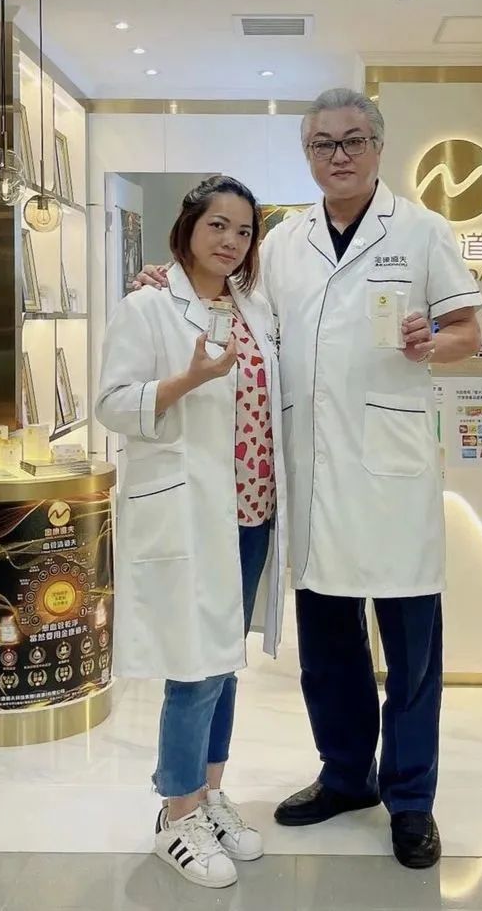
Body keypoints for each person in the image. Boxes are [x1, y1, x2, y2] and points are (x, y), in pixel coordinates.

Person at [135, 88, 482, 868]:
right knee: (327, 652)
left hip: (392, 476)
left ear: (378, 147)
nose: (339, 155)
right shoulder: (284, 242)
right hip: (311, 476)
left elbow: (470, 329)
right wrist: (167, 279)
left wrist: (436, 341)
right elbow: (226, 301)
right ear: (307, 155)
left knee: (411, 656)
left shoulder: (421, 230)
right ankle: (346, 776)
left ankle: (412, 800)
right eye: (323, 143)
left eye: (353, 140)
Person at [95, 175, 287, 890]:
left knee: (225, 660)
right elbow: (113, 404)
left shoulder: (253, 306)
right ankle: (176, 813)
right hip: (189, 508)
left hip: (252, 510)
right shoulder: (147, 306)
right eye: (218, 226)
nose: (231, 241)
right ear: (189, 229)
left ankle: (208, 793)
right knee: (194, 665)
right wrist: (186, 380)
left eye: (243, 231)